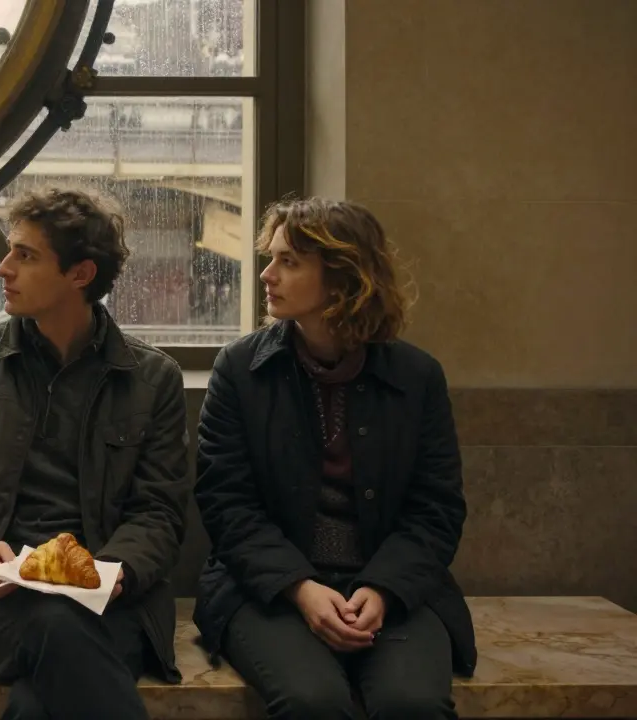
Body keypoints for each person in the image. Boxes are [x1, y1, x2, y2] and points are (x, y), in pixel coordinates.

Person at [0, 188, 192, 719]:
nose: (4, 268)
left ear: (80, 274)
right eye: (9, 251)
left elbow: (160, 511)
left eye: (26, 255)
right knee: (59, 627)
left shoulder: (152, 379)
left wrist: (115, 570)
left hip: (111, 598)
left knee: (39, 699)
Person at [193, 197, 477, 719]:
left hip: (391, 586)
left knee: (412, 704)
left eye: (289, 261)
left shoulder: (417, 377)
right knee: (312, 702)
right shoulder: (240, 369)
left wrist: (382, 589)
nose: (267, 274)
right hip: (270, 589)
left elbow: (436, 509)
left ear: (344, 278)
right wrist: (300, 588)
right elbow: (226, 503)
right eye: (271, 257)